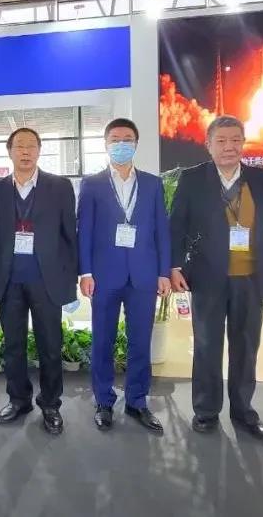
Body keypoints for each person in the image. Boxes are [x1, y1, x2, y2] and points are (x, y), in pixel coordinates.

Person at [169, 116, 263, 443]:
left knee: (246, 347)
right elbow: (177, 225)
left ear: (243, 143)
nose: (229, 147)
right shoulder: (193, 179)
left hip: (251, 279)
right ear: (208, 145)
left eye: (235, 140)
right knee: (207, 346)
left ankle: (244, 412)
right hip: (207, 278)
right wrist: (174, 266)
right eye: (221, 140)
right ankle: (205, 411)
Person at [78, 118, 171, 433]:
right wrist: (85, 272)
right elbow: (84, 231)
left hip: (144, 275)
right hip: (104, 276)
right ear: (106, 144)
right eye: (115, 139)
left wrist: (163, 272)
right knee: (102, 341)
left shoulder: (152, 184)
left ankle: (137, 401)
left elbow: (161, 230)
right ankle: (103, 401)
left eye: (127, 139)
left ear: (136, 144)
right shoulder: (92, 184)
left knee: (140, 342)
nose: (121, 144)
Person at [0, 127, 77, 435]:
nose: (25, 151)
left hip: (46, 281)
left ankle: (50, 404)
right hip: (8, 280)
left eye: (31, 146)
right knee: (13, 346)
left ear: (39, 151)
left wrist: (71, 279)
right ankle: (19, 400)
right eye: (19, 146)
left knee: (50, 346)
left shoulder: (59, 187)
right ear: (10, 152)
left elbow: (70, 236)